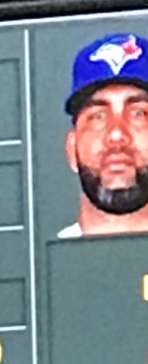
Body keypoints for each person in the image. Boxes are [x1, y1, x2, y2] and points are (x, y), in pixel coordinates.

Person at [59, 32, 148, 237]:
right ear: (72, 149)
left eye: (138, 114)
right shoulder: (34, 258)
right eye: (98, 116)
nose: (116, 134)